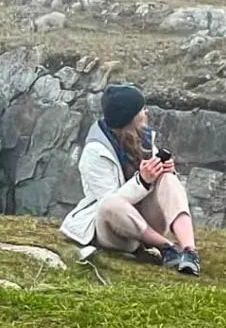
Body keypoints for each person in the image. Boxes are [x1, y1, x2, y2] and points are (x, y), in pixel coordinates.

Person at [60, 83, 201, 276]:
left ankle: (189, 252)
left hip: (145, 221)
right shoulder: (94, 152)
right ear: (131, 117)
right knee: (110, 204)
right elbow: (109, 205)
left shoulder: (143, 138)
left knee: (168, 179)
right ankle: (167, 247)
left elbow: (155, 185)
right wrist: (142, 181)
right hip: (114, 231)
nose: (146, 111)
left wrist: (163, 172)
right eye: (142, 109)